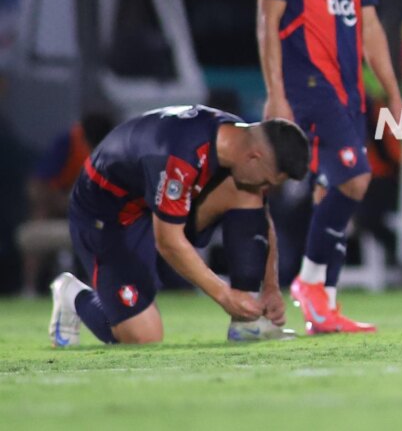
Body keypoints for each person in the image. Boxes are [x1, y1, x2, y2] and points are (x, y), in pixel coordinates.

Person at [257, 0, 402, 334]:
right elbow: (267, 21)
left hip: (346, 89)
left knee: (333, 190)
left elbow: (371, 27)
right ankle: (309, 285)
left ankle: (323, 304)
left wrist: (394, 93)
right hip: (305, 82)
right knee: (353, 178)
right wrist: (276, 92)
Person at [48, 105, 309, 346]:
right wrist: (225, 296)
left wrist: (271, 289)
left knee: (247, 192)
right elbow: (169, 242)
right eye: (269, 179)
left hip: (152, 204)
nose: (268, 187)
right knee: (144, 336)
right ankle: (73, 295)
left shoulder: (236, 140)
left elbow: (262, 218)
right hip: (109, 217)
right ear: (254, 157)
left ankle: (248, 324)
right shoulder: (180, 157)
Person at [18, 113, 114, 297]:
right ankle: (29, 287)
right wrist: (61, 202)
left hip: (94, 207)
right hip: (60, 205)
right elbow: (36, 186)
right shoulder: (69, 143)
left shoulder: (112, 148)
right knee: (40, 213)